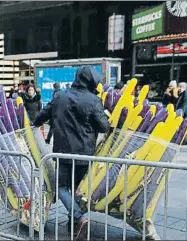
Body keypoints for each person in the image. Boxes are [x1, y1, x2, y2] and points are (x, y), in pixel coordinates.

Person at [34, 66, 110, 240]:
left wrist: (33, 123)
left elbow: (41, 116)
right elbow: (104, 126)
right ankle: (77, 218)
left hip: (62, 153)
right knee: (78, 190)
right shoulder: (93, 100)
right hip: (84, 154)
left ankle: (77, 218)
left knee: (60, 187)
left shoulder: (60, 96)